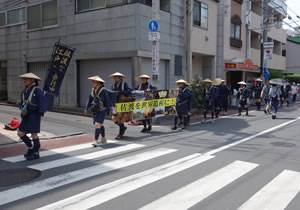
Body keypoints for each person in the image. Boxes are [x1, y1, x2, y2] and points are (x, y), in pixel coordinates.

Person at [18, 73, 48, 161]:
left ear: (32, 80)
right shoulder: (24, 91)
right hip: (26, 115)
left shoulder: (37, 90)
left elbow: (43, 102)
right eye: (24, 79)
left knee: (33, 133)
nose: (24, 81)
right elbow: (22, 102)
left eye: (26, 79)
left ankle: (36, 152)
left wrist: (41, 112)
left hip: (34, 115)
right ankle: (31, 147)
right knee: (20, 133)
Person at [85, 76, 112, 145]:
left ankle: (96, 140)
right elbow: (90, 99)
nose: (92, 83)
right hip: (95, 109)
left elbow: (107, 100)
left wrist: (109, 110)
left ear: (98, 83)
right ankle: (104, 139)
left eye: (93, 82)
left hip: (102, 110)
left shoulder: (103, 90)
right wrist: (86, 108)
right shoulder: (93, 90)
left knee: (97, 124)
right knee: (100, 124)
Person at [110, 72, 132, 139]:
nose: (115, 78)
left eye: (117, 77)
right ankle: (123, 128)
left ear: (120, 78)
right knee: (113, 118)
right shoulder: (113, 85)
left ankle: (120, 133)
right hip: (115, 104)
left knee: (119, 119)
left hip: (122, 103)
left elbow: (129, 92)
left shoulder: (124, 84)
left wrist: (120, 92)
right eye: (115, 77)